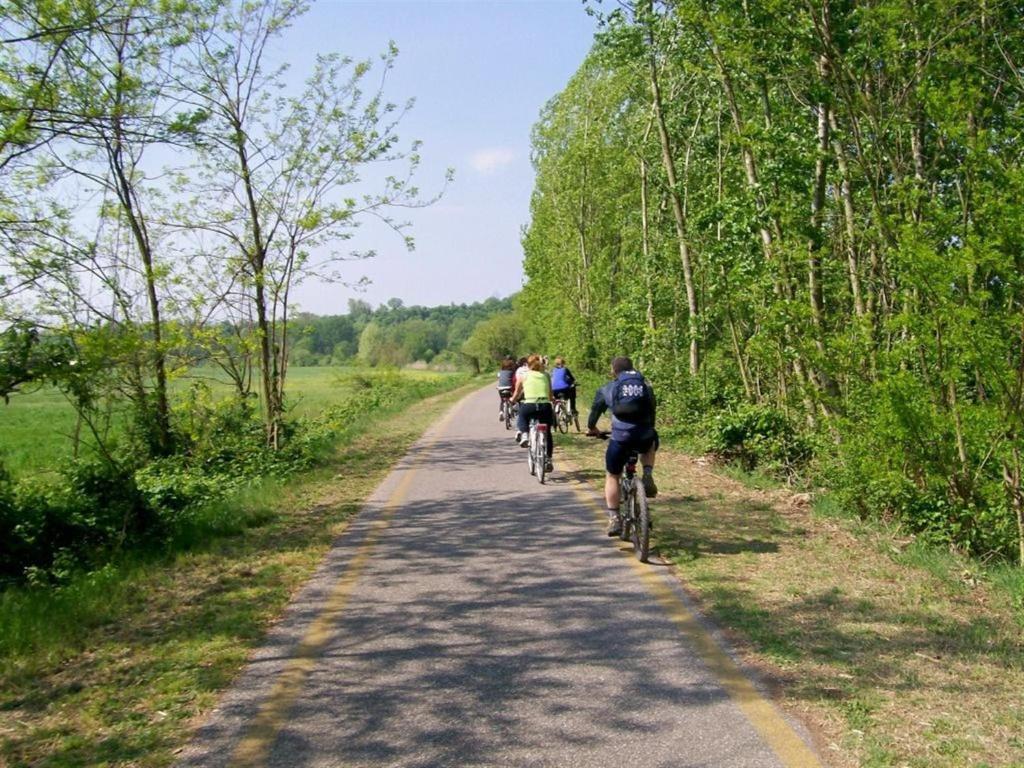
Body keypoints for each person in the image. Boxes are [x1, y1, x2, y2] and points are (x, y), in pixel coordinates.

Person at [586, 356, 659, 536]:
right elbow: (652, 410)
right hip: (644, 435)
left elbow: (595, 411)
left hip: (620, 437)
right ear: (632, 369)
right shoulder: (645, 386)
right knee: (650, 442)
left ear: (614, 371)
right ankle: (648, 473)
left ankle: (614, 518)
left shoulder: (607, 389)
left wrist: (592, 428)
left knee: (612, 475)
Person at [510, 353, 554, 471]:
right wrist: (551, 399)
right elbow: (550, 395)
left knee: (522, 415)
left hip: (529, 405)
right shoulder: (546, 375)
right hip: (545, 406)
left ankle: (524, 434)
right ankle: (548, 459)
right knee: (547, 433)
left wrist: (512, 400)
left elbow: (516, 394)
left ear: (528, 365)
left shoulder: (523, 376)